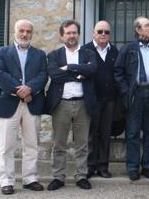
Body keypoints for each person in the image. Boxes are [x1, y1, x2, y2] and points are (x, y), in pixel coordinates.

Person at [0, 19, 48, 195]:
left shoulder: (39, 54)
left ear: (32, 34)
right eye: (21, 30)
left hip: (32, 103)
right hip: (8, 103)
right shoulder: (1, 52)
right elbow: (1, 75)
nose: (25, 34)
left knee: (32, 144)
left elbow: (43, 75)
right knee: (6, 145)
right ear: (15, 31)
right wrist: (21, 91)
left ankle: (30, 178)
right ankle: (6, 181)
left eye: (28, 31)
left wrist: (31, 89)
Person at [45, 20, 98, 191]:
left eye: (74, 32)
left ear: (78, 34)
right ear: (62, 36)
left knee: (82, 144)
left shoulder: (89, 53)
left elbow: (92, 70)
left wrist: (68, 67)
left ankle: (81, 176)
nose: (71, 36)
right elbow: (54, 74)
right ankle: (58, 177)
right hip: (61, 104)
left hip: (83, 104)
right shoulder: (54, 55)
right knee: (59, 143)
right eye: (68, 33)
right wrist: (79, 73)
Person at [114, 16, 149, 181]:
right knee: (133, 132)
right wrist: (125, 91)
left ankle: (147, 166)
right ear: (138, 29)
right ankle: (133, 167)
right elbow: (118, 72)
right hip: (135, 94)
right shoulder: (128, 49)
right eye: (147, 25)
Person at [83, 21, 119, 178]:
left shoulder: (114, 51)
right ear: (93, 33)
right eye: (100, 31)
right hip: (92, 99)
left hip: (110, 99)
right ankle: (90, 166)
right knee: (91, 133)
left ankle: (103, 166)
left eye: (106, 32)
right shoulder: (85, 50)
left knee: (105, 133)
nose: (103, 34)